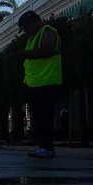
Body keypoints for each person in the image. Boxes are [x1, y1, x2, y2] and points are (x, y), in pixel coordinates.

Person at [18, 10, 62, 158]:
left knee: (45, 117)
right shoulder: (32, 38)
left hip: (47, 81)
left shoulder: (48, 31)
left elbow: (47, 49)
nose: (25, 31)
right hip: (34, 84)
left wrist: (25, 54)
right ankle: (42, 147)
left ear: (34, 21)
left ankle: (48, 148)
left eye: (26, 27)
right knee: (37, 118)